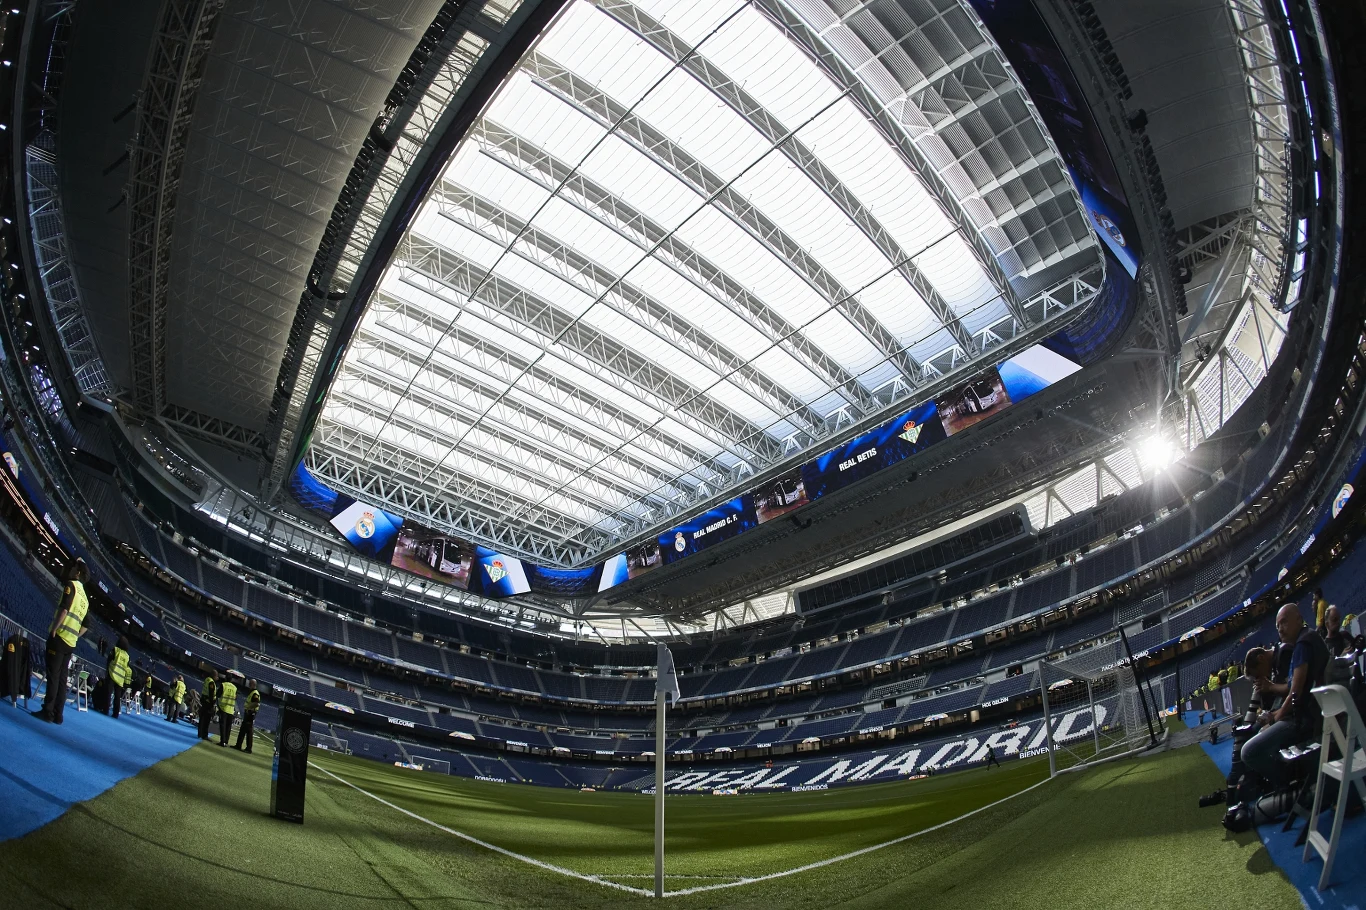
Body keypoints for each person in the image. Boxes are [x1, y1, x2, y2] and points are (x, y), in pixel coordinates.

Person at [1240, 604, 1330, 787]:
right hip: (1305, 714)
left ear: (1299, 619)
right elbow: (1294, 689)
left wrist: (1277, 716)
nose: (1280, 628)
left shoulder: (1303, 644)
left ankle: (1290, 786)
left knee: (1248, 752)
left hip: (1304, 718)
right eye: (1277, 625)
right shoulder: (1303, 642)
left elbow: (1295, 692)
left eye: (1284, 622)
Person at [32, 558, 90, 724]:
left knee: (53, 676)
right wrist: (76, 636)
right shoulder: (85, 598)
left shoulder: (71, 586)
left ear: (78, 573)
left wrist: (55, 628)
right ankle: (58, 714)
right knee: (63, 679)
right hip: (71, 643)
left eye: (73, 568)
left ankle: (47, 711)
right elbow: (86, 625)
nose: (70, 570)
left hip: (59, 639)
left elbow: (64, 609)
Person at [105, 636, 131, 720]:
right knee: (117, 696)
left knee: (108, 693)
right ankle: (115, 713)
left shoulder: (115, 650)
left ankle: (105, 710)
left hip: (112, 674)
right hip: (120, 678)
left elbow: (109, 660)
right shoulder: (127, 656)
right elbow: (126, 666)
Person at [235, 680, 260, 753]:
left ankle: (248, 748)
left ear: (253, 684)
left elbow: (256, 703)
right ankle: (238, 745)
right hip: (248, 713)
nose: (248, 685)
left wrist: (248, 707)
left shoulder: (255, 693)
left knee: (248, 731)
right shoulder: (252, 693)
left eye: (250, 684)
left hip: (250, 713)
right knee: (243, 729)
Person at [217, 674, 238, 746]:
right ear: (231, 680)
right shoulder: (235, 688)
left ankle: (222, 741)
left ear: (225, 678)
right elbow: (235, 698)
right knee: (228, 726)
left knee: (223, 725)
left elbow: (218, 695)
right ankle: (226, 741)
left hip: (223, 708)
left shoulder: (223, 685)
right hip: (231, 709)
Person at [198, 671, 218, 740]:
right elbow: (211, 694)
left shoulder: (207, 679)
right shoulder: (211, 682)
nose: (217, 678)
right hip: (208, 703)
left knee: (202, 718)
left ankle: (200, 733)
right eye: (217, 676)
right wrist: (212, 704)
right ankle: (204, 735)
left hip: (204, 701)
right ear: (214, 675)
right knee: (206, 720)